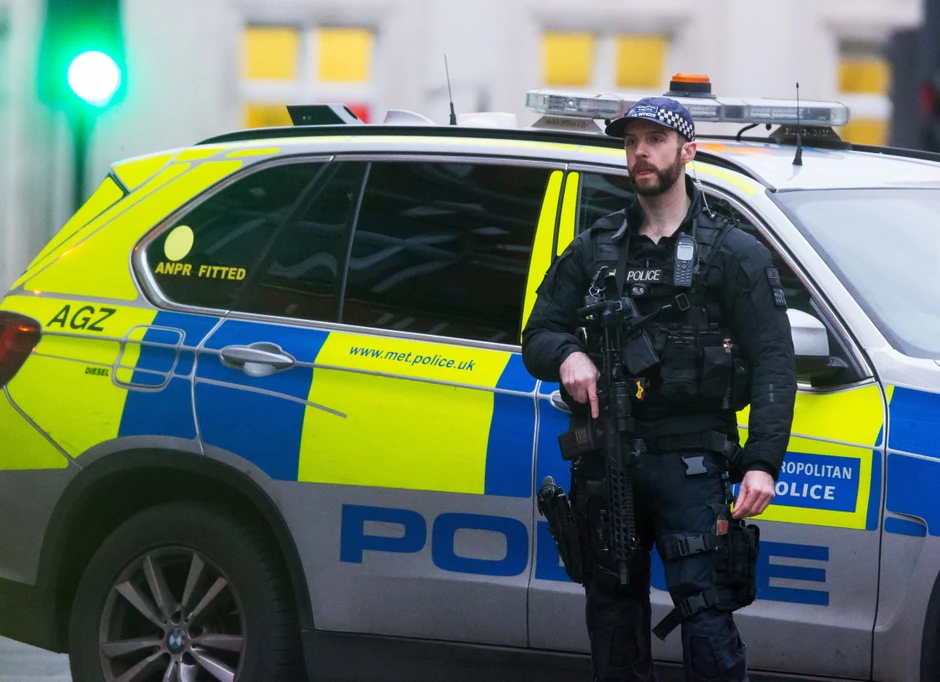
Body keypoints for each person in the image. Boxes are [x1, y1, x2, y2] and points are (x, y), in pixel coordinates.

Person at [522, 97, 797, 682]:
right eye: (630, 142)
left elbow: (775, 361)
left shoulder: (733, 252)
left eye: (654, 140)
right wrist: (569, 354)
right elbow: (538, 335)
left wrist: (762, 462)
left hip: (692, 463)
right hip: (607, 460)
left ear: (687, 151)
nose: (639, 153)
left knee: (706, 616)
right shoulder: (597, 247)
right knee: (613, 618)